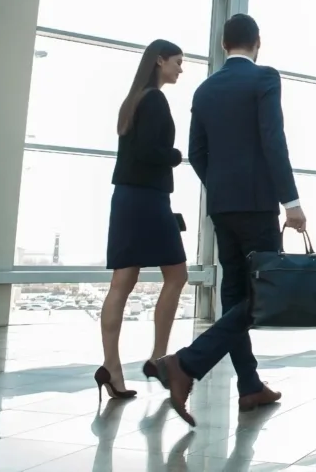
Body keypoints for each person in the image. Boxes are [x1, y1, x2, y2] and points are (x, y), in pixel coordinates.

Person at [148, 13, 305, 426]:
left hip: (222, 206)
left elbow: (197, 152)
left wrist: (220, 185)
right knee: (262, 295)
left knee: (236, 296)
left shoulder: (204, 90)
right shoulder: (265, 78)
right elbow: (274, 140)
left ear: (223, 45)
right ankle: (185, 363)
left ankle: (250, 385)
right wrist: (291, 202)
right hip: (256, 206)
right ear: (257, 42)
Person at [95, 39, 190, 402]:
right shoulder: (154, 99)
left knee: (123, 281)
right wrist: (176, 155)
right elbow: (152, 152)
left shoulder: (133, 100)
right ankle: (158, 359)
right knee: (177, 275)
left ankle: (111, 367)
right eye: (178, 62)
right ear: (160, 60)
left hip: (128, 199)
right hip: (148, 199)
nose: (181, 69)